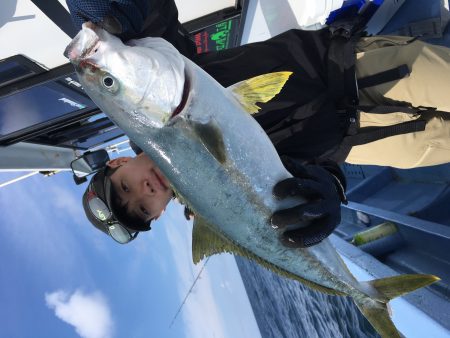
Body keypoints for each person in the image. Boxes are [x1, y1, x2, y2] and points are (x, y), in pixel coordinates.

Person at [69, 0, 450, 245]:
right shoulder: (216, 206)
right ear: (160, 213)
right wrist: (326, 191)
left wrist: (107, 12)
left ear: (118, 163)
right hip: (369, 138)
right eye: (143, 208)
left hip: (354, 69)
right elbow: (305, 175)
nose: (144, 191)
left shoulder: (159, 101)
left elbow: (155, 25)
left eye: (124, 187)